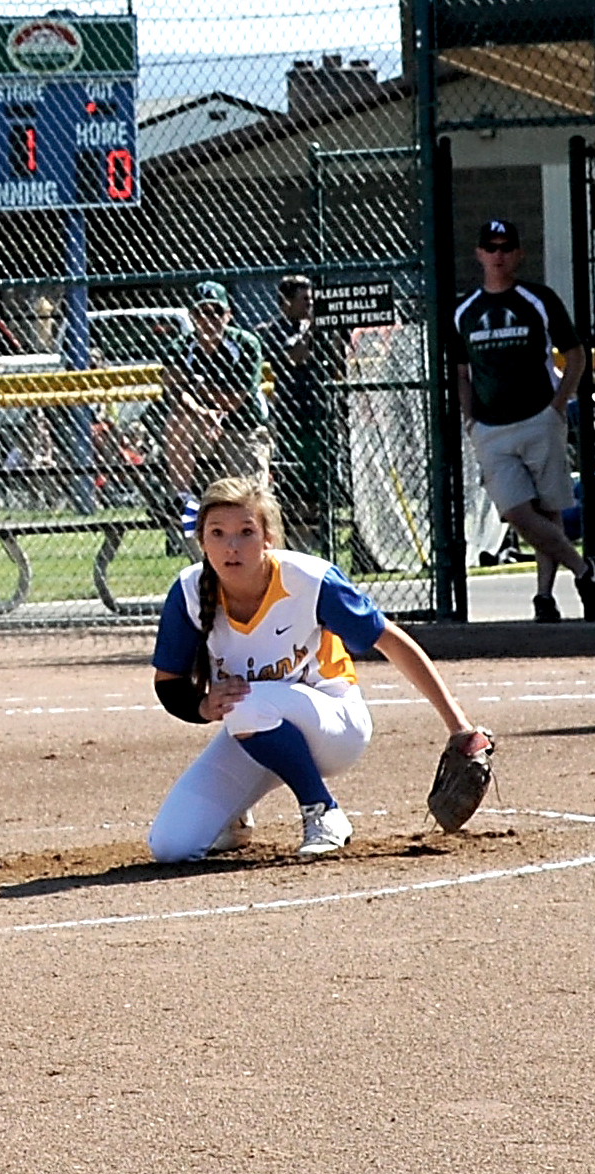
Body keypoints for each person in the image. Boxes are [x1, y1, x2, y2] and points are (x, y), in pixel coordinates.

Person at [146, 476, 489, 862]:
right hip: (255, 728)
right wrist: (202, 707)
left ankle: (323, 812)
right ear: (202, 542)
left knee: (246, 702)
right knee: (171, 846)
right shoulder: (190, 591)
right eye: (218, 533)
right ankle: (234, 817)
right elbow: (170, 684)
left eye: (246, 532)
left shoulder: (309, 580)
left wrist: (460, 727)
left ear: (268, 538)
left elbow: (391, 641)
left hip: (335, 725)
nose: (232, 546)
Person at [452, 219, 595, 623]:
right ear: (480, 254)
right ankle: (584, 569)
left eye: (506, 247)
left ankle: (544, 598)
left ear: (518, 253)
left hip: (539, 417)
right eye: (491, 247)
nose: (498, 255)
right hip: (491, 428)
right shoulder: (465, 309)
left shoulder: (538, 299)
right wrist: (470, 418)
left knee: (549, 508)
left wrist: (558, 403)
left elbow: (576, 354)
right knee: (516, 511)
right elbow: (461, 371)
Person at [163, 282, 272, 522]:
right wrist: (203, 412)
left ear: (228, 315)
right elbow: (175, 391)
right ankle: (183, 497)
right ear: (192, 316)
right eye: (201, 312)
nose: (208, 319)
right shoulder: (180, 347)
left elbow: (233, 399)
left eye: (215, 312)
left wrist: (197, 388)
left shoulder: (245, 344)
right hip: (201, 427)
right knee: (179, 417)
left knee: (251, 505)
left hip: (243, 427)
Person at [257, 275, 327, 553]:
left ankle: (324, 537)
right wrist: (314, 329)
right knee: (297, 483)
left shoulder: (319, 328)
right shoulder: (272, 330)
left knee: (323, 481)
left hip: (322, 413)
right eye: (304, 300)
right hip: (293, 416)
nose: (310, 306)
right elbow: (293, 356)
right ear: (286, 302)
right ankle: (298, 542)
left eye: (312, 300)